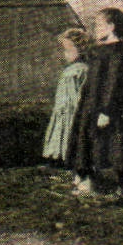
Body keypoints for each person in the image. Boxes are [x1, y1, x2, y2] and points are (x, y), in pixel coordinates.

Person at [69, 7, 123, 201]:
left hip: (108, 107)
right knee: (87, 140)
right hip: (92, 103)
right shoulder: (102, 50)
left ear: (111, 27)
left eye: (98, 25)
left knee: (117, 145)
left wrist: (106, 110)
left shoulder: (117, 52)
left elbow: (113, 83)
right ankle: (89, 180)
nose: (95, 29)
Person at [42, 28, 91, 168]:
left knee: (69, 132)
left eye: (69, 50)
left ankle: (67, 157)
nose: (65, 54)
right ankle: (58, 156)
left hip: (71, 109)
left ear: (81, 49)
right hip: (63, 108)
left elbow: (78, 94)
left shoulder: (78, 70)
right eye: (65, 50)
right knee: (60, 131)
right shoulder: (73, 70)